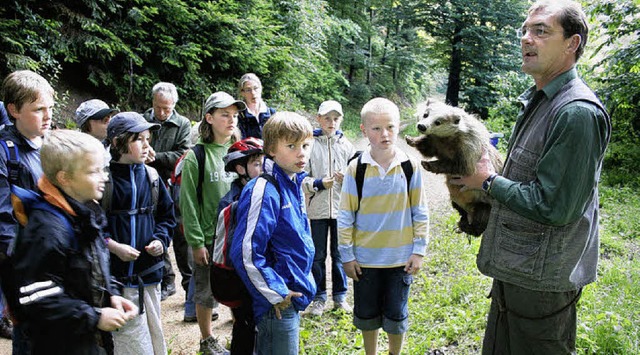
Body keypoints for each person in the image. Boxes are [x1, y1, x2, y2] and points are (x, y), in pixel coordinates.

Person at [450, 1, 611, 354]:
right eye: (525, 30)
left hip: (542, 284)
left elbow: (556, 206)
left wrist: (488, 182)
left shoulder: (576, 113)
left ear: (572, 43)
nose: (527, 39)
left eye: (541, 31)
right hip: (520, 271)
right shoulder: (542, 99)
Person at [9, 129, 138, 354]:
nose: (104, 177)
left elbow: (92, 266)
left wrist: (111, 295)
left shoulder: (84, 211)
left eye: (103, 169)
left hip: (85, 338)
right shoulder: (48, 230)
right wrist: (94, 316)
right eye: (93, 171)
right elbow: (35, 296)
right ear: (64, 178)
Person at [338, 97, 429, 355]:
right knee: (367, 313)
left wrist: (418, 250)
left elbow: (420, 211)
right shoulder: (357, 169)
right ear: (364, 131)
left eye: (389, 127)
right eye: (376, 129)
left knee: (396, 314)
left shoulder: (410, 166)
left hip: (400, 258)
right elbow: (346, 215)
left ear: (399, 126)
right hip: (365, 259)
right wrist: (347, 256)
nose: (384, 134)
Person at [230, 112, 316, 355]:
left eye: (305, 145)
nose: (301, 153)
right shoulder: (264, 189)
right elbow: (246, 252)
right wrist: (276, 293)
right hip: (275, 303)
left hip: (291, 294)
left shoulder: (293, 182)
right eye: (291, 145)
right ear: (271, 150)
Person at [104, 112, 176, 355]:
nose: (147, 145)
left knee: (154, 334)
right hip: (118, 279)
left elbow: (167, 216)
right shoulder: (103, 180)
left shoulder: (152, 177)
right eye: (139, 139)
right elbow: (92, 226)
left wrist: (160, 240)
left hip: (150, 274)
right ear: (117, 143)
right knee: (130, 341)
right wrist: (113, 247)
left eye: (148, 139)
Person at [180, 91, 244, 355]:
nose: (231, 120)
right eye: (224, 115)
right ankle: (207, 339)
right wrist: (196, 242)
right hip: (209, 237)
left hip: (236, 235)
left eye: (234, 115)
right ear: (209, 118)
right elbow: (187, 203)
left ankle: (241, 329)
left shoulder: (240, 151)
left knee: (237, 286)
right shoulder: (197, 156)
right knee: (206, 290)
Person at [0, 70, 55, 349]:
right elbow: (3, 218)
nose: (47, 116)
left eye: (50, 108)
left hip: (56, 255)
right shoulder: (4, 152)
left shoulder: (52, 143)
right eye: (38, 109)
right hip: (26, 262)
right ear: (13, 110)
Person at [303, 100, 355, 316]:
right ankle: (318, 297)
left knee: (340, 253)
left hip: (341, 209)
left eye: (336, 118)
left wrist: (348, 178)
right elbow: (300, 178)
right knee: (317, 255)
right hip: (317, 209)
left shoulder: (347, 146)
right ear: (318, 119)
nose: (331, 122)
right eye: (327, 118)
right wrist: (318, 183)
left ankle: (340, 297)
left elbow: (359, 176)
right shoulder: (309, 144)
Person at [142, 82, 192, 303]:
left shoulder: (181, 124)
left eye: (167, 108)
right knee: (154, 231)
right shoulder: (142, 120)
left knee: (181, 233)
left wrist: (157, 156)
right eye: (158, 107)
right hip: (148, 183)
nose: (162, 113)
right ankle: (166, 279)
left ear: (174, 105)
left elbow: (183, 154)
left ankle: (190, 286)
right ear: (152, 102)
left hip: (174, 183)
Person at [215, 137, 265, 354]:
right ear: (239, 167)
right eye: (255, 164)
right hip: (241, 275)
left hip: (261, 271)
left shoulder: (264, 192)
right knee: (245, 325)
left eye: (263, 162)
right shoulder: (232, 203)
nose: (262, 168)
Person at [75, 99, 118, 165]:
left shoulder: (110, 146)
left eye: (110, 118)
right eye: (104, 120)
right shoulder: (76, 151)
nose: (109, 122)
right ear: (86, 123)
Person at [237, 73, 276, 139]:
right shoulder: (239, 116)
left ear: (261, 89)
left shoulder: (271, 113)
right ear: (242, 93)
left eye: (255, 88)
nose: (253, 93)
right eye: (248, 90)